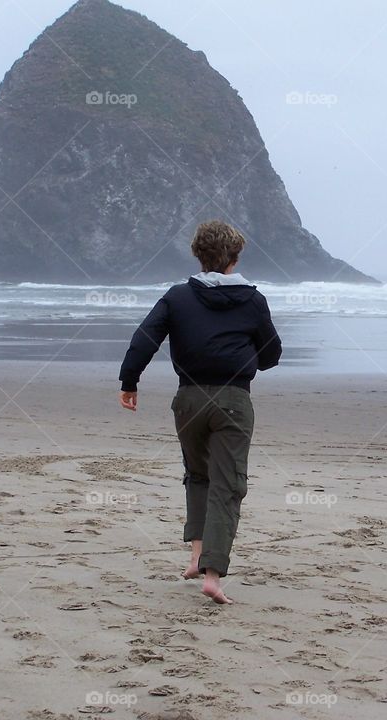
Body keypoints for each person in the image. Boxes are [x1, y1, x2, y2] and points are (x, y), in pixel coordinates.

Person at [118, 220, 282, 604]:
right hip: (233, 401)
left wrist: (129, 381)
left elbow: (145, 338)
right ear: (235, 257)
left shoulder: (178, 297)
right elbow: (272, 353)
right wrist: (247, 356)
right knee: (228, 485)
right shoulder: (253, 300)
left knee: (197, 475)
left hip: (188, 400)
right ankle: (212, 575)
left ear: (198, 255)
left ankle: (196, 556)